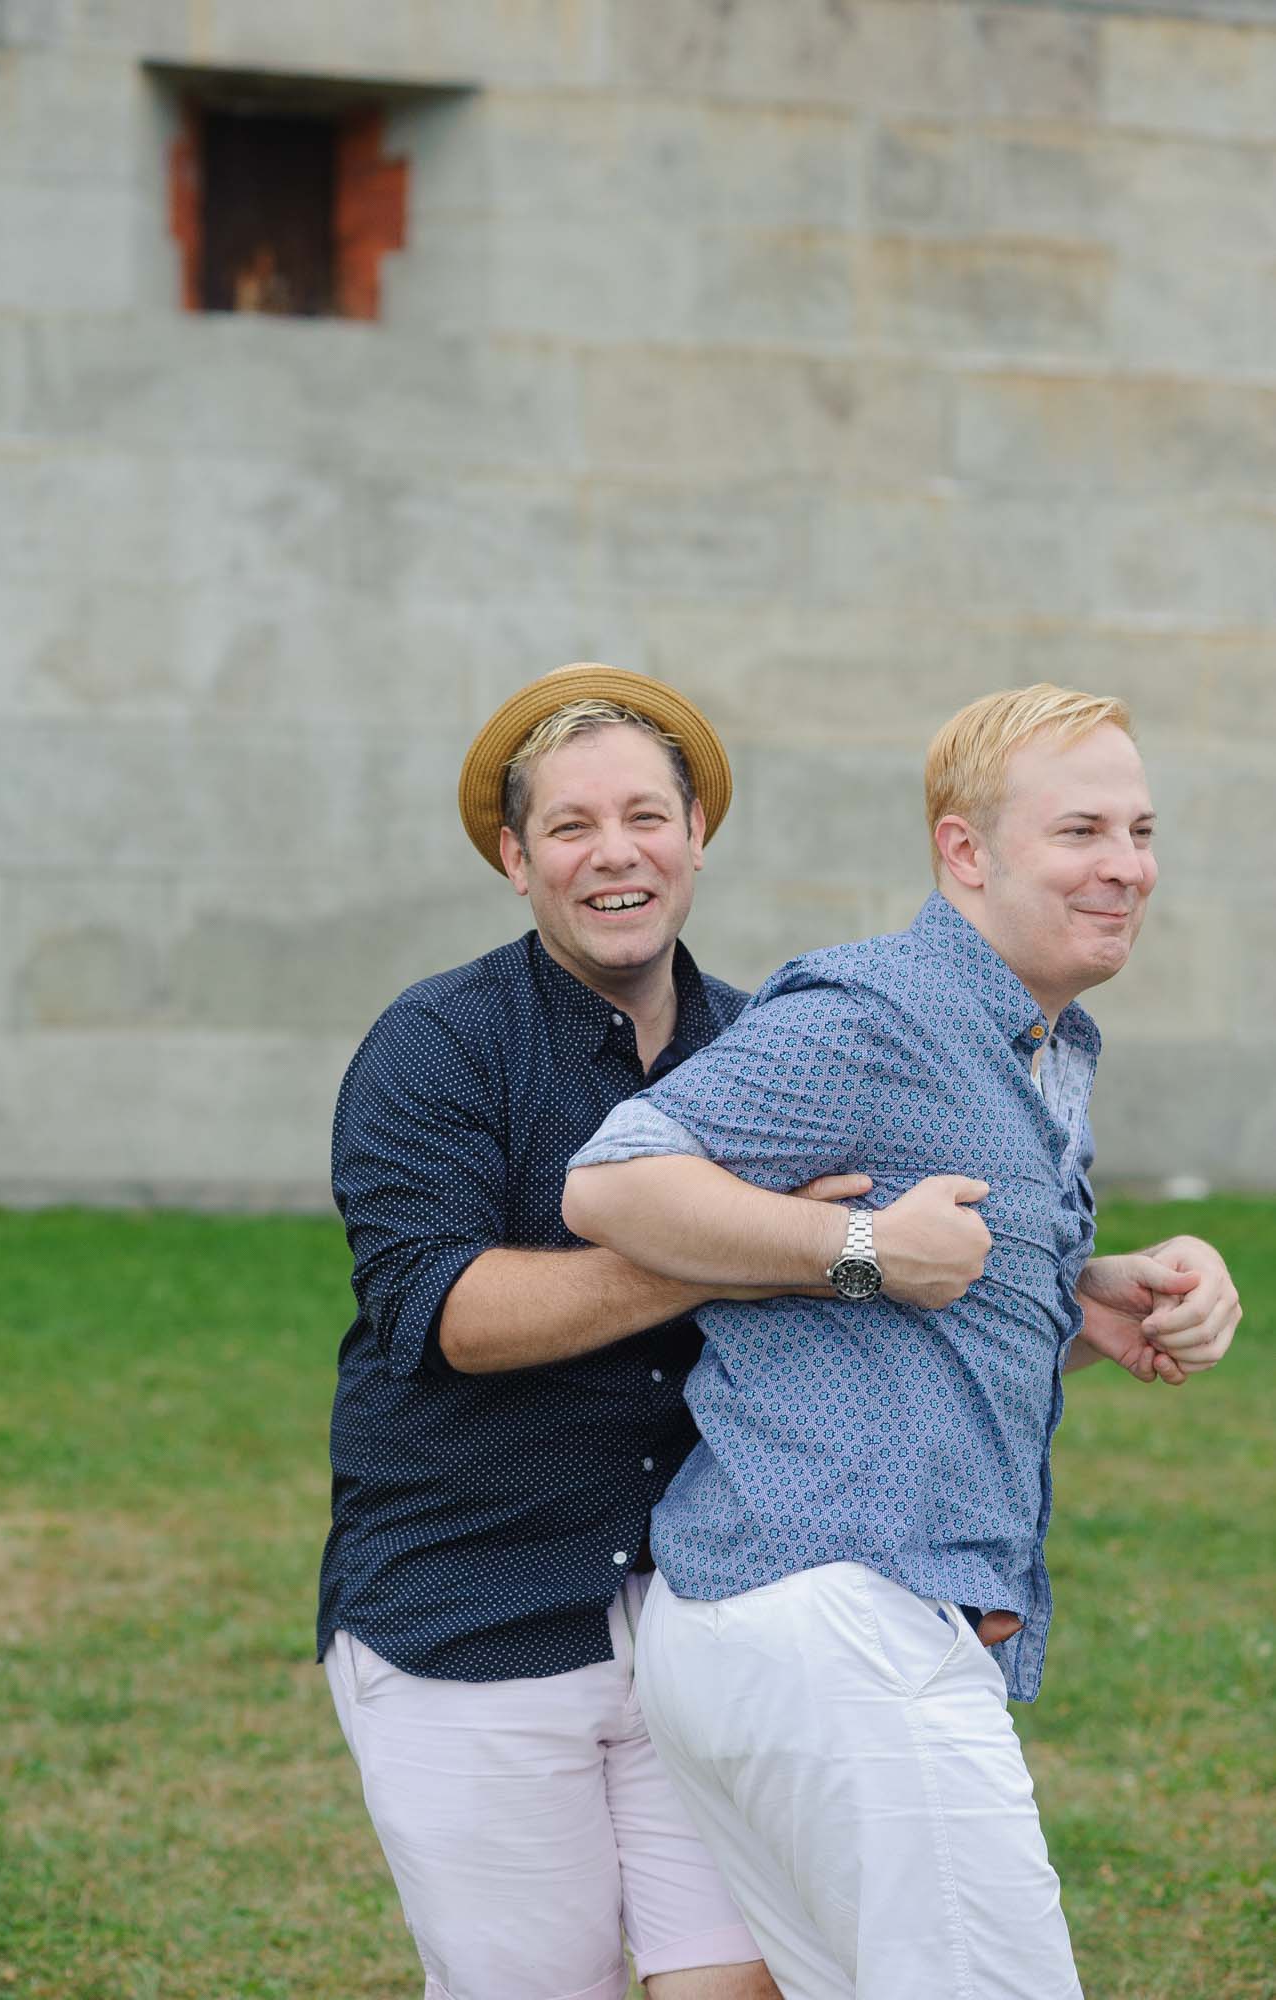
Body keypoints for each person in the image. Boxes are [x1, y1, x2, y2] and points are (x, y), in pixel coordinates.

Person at [563, 684, 1241, 2000]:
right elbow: (615, 1179)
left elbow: (938, 1292)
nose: (1125, 867)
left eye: (1142, 831)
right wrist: (860, 1250)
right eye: (1082, 831)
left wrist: (1092, 1299)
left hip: (815, 1623)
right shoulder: (883, 1012)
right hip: (836, 1619)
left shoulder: (1045, 1041)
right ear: (965, 853)